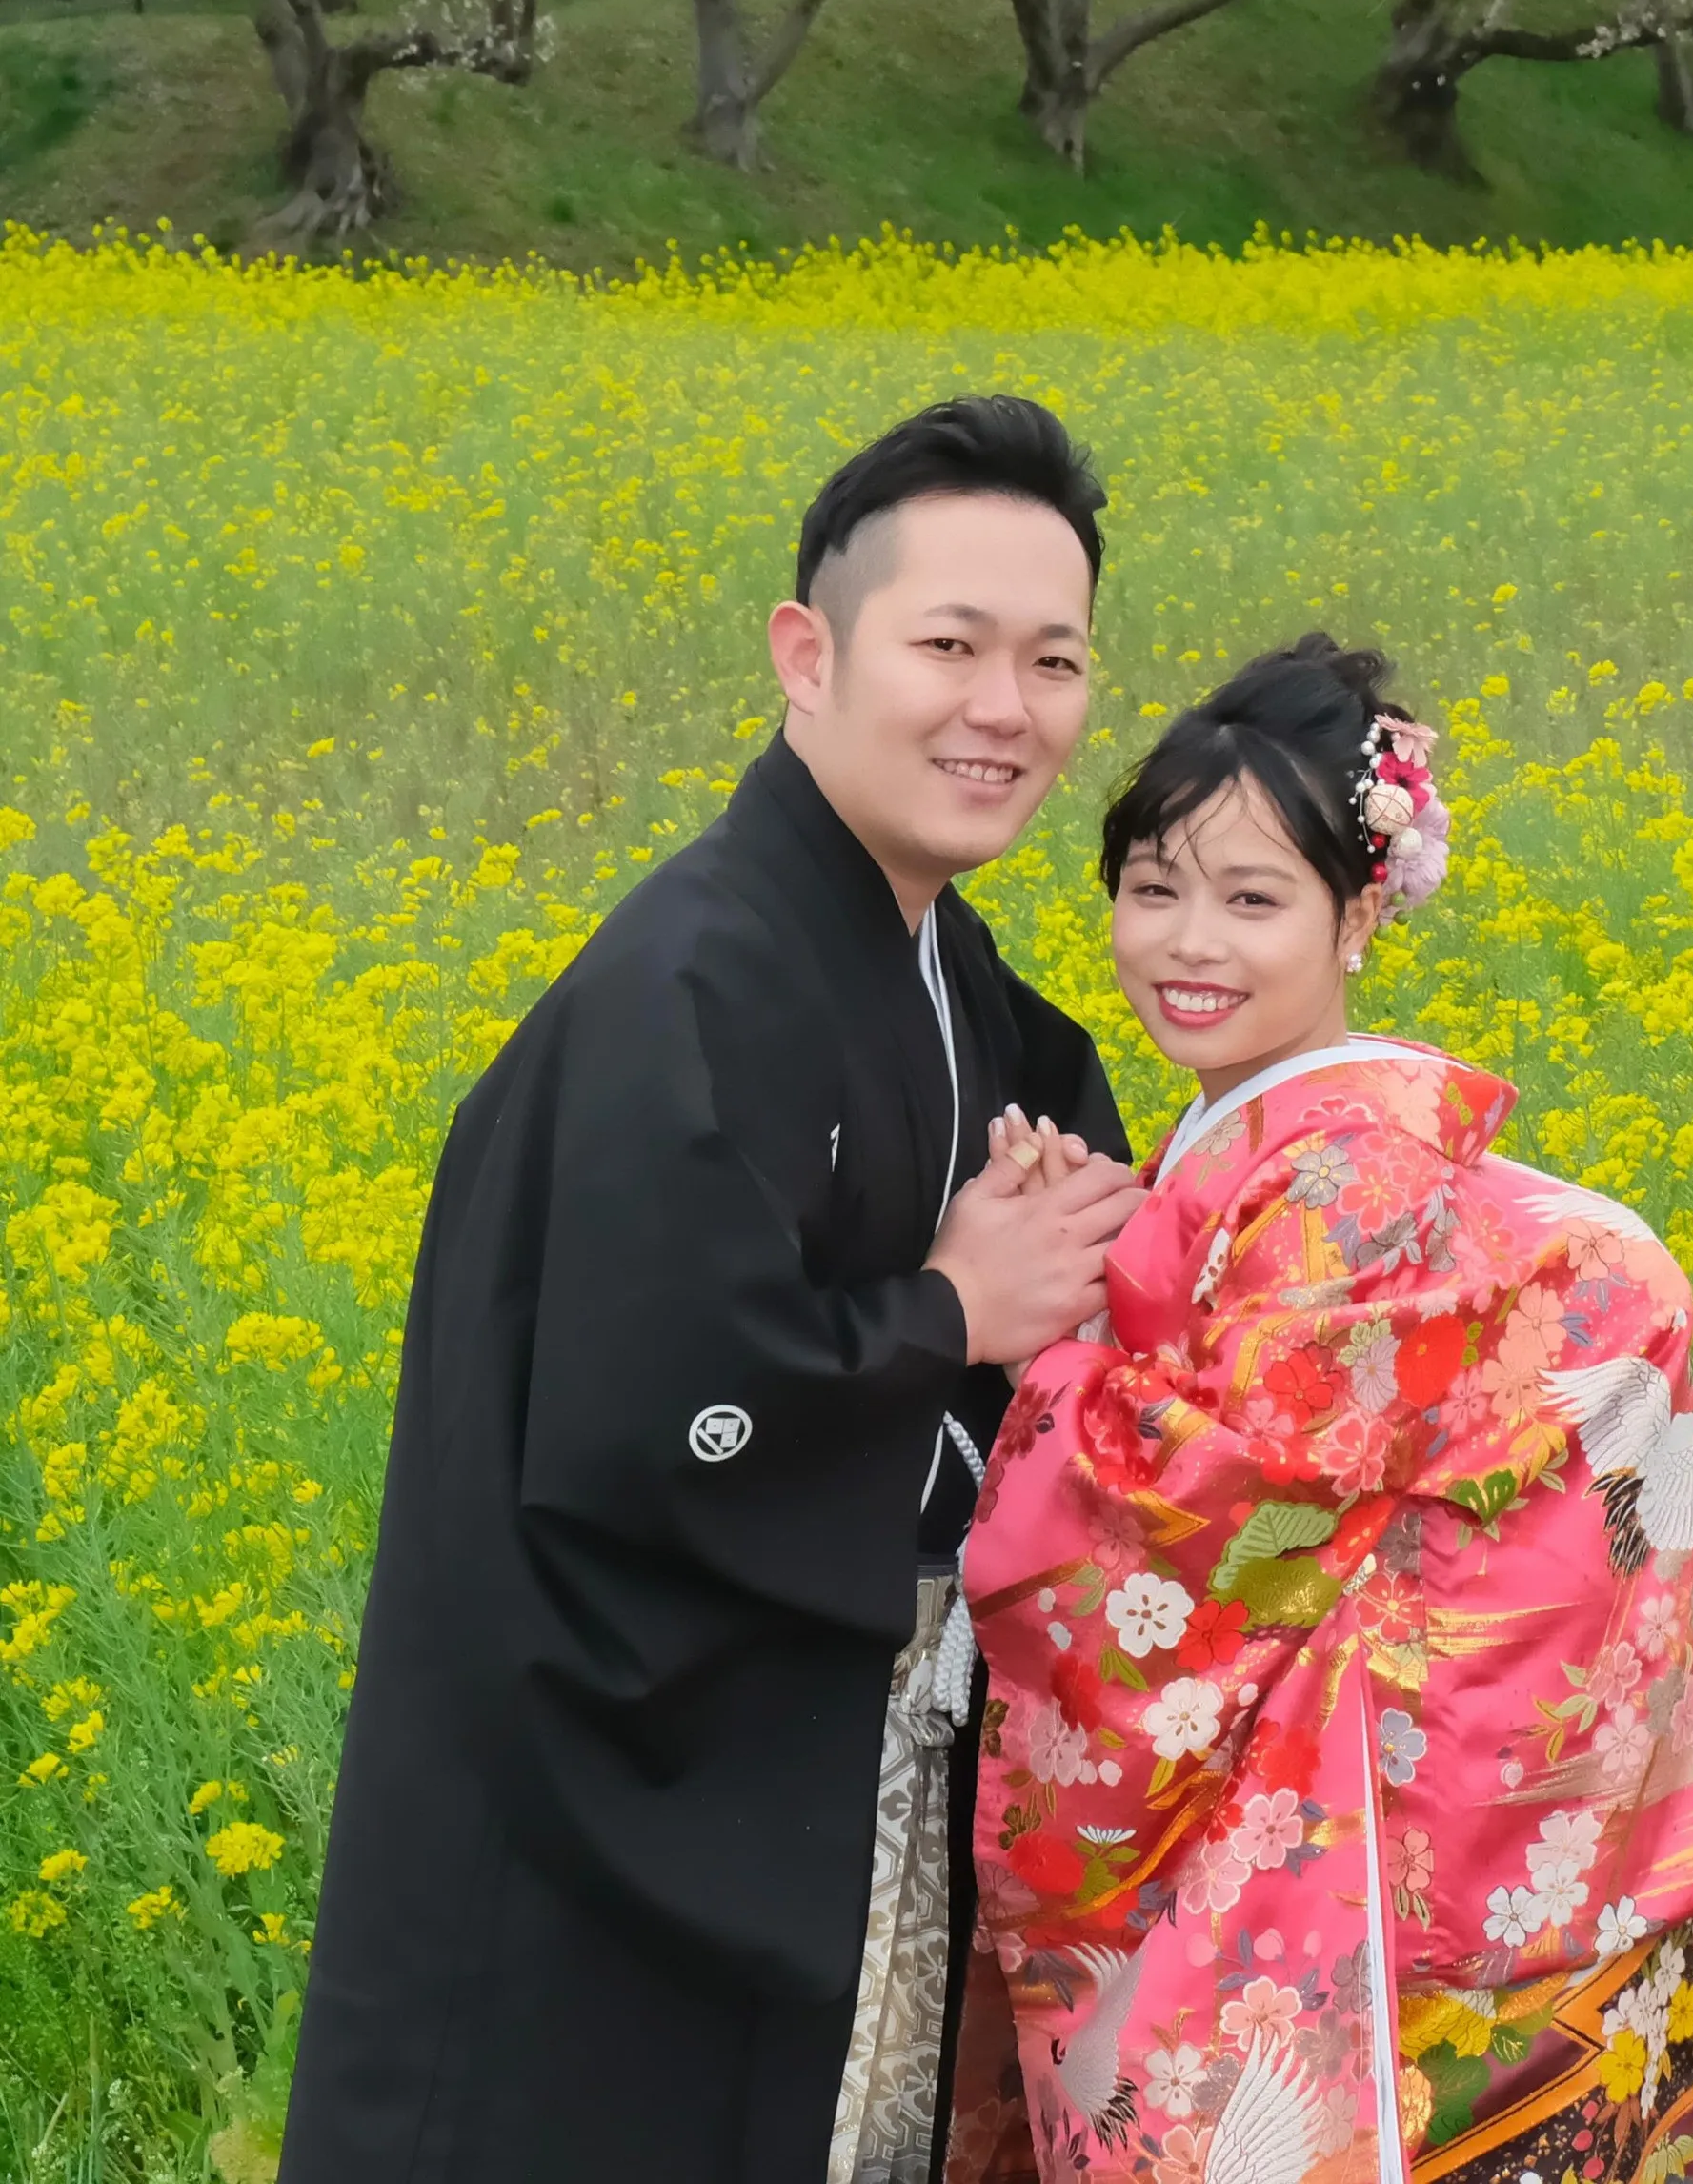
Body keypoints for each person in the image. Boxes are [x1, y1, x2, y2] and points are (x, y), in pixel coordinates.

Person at [281, 394, 1141, 2184]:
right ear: (806, 655)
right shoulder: (693, 979)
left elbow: (1064, 1193)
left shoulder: (937, 957)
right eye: (949, 646)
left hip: (817, 1777)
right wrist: (948, 1316)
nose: (1004, 707)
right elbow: (654, 1404)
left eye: (1052, 661)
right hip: (601, 1799)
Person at [952, 634, 1693, 2184]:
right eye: (1152, 888)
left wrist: (1030, 1338)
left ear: (1360, 913)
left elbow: (1196, 1522)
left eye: (1253, 901)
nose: (1188, 943)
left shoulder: (1343, 1183)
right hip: (1446, 1813)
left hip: (1394, 1847)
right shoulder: (1275, 1146)